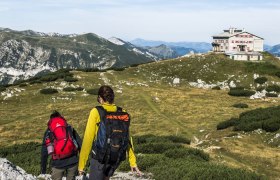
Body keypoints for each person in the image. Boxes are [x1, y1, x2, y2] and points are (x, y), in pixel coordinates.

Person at [78, 85, 141, 179]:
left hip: (99, 158)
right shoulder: (122, 112)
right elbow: (127, 138)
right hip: (115, 157)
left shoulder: (96, 112)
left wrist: (81, 165)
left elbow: (88, 139)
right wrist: (133, 162)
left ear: (101, 98)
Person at [41, 111, 82, 180]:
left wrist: (43, 170)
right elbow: (79, 143)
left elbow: (44, 152)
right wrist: (81, 164)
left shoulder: (49, 131)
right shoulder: (68, 127)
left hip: (57, 163)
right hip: (72, 160)